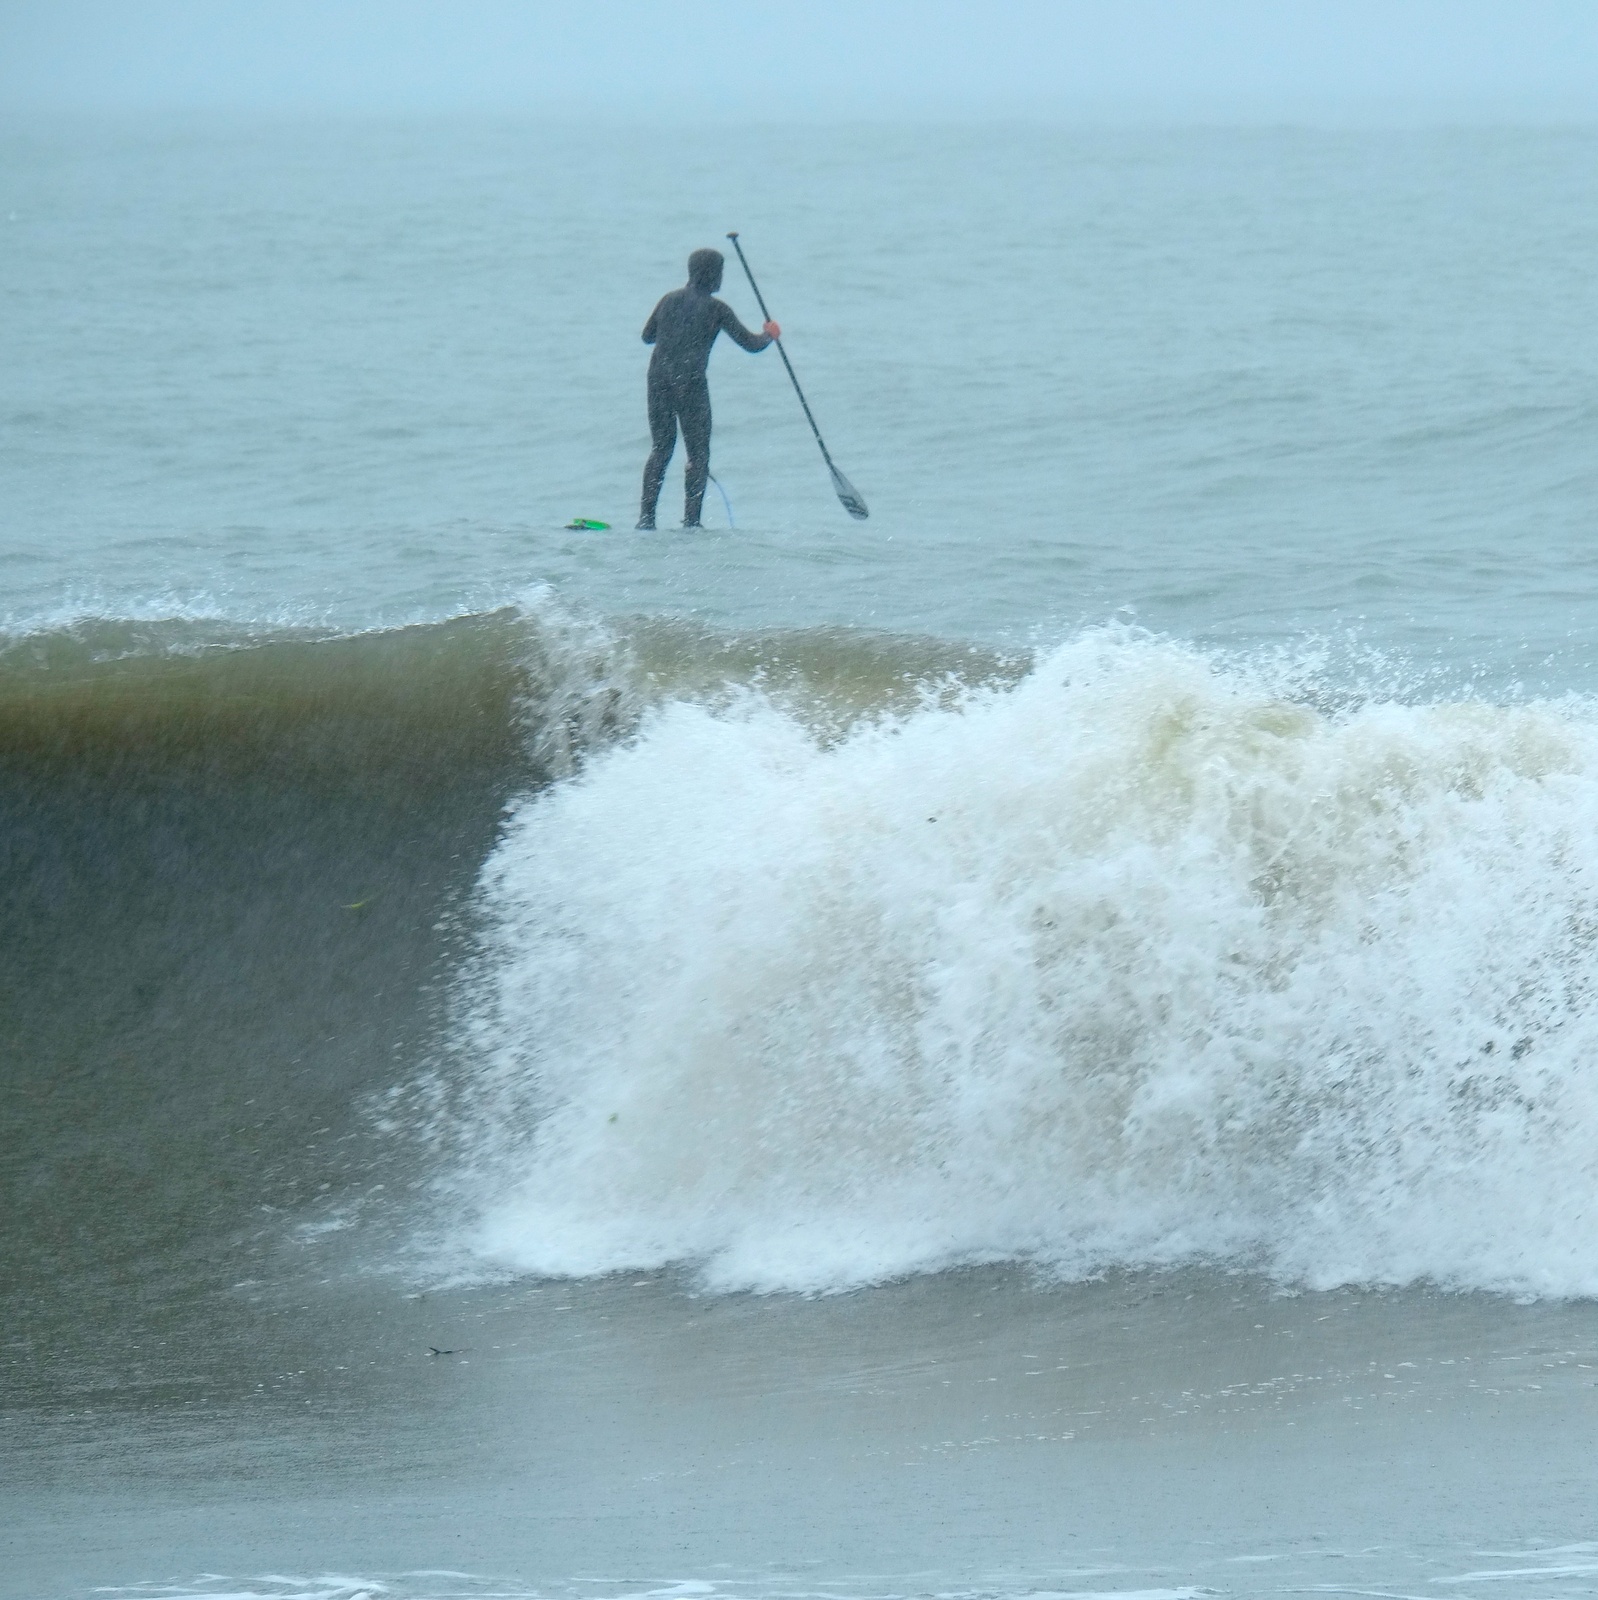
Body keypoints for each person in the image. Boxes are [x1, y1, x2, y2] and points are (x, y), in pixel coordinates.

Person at [638, 248, 779, 530]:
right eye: (720, 273)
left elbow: (647, 337)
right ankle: (691, 522)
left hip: (658, 380)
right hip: (690, 383)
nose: (721, 279)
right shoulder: (716, 309)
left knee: (661, 448)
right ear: (712, 274)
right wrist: (769, 335)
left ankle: (646, 519)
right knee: (698, 454)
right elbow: (750, 344)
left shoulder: (668, 300)